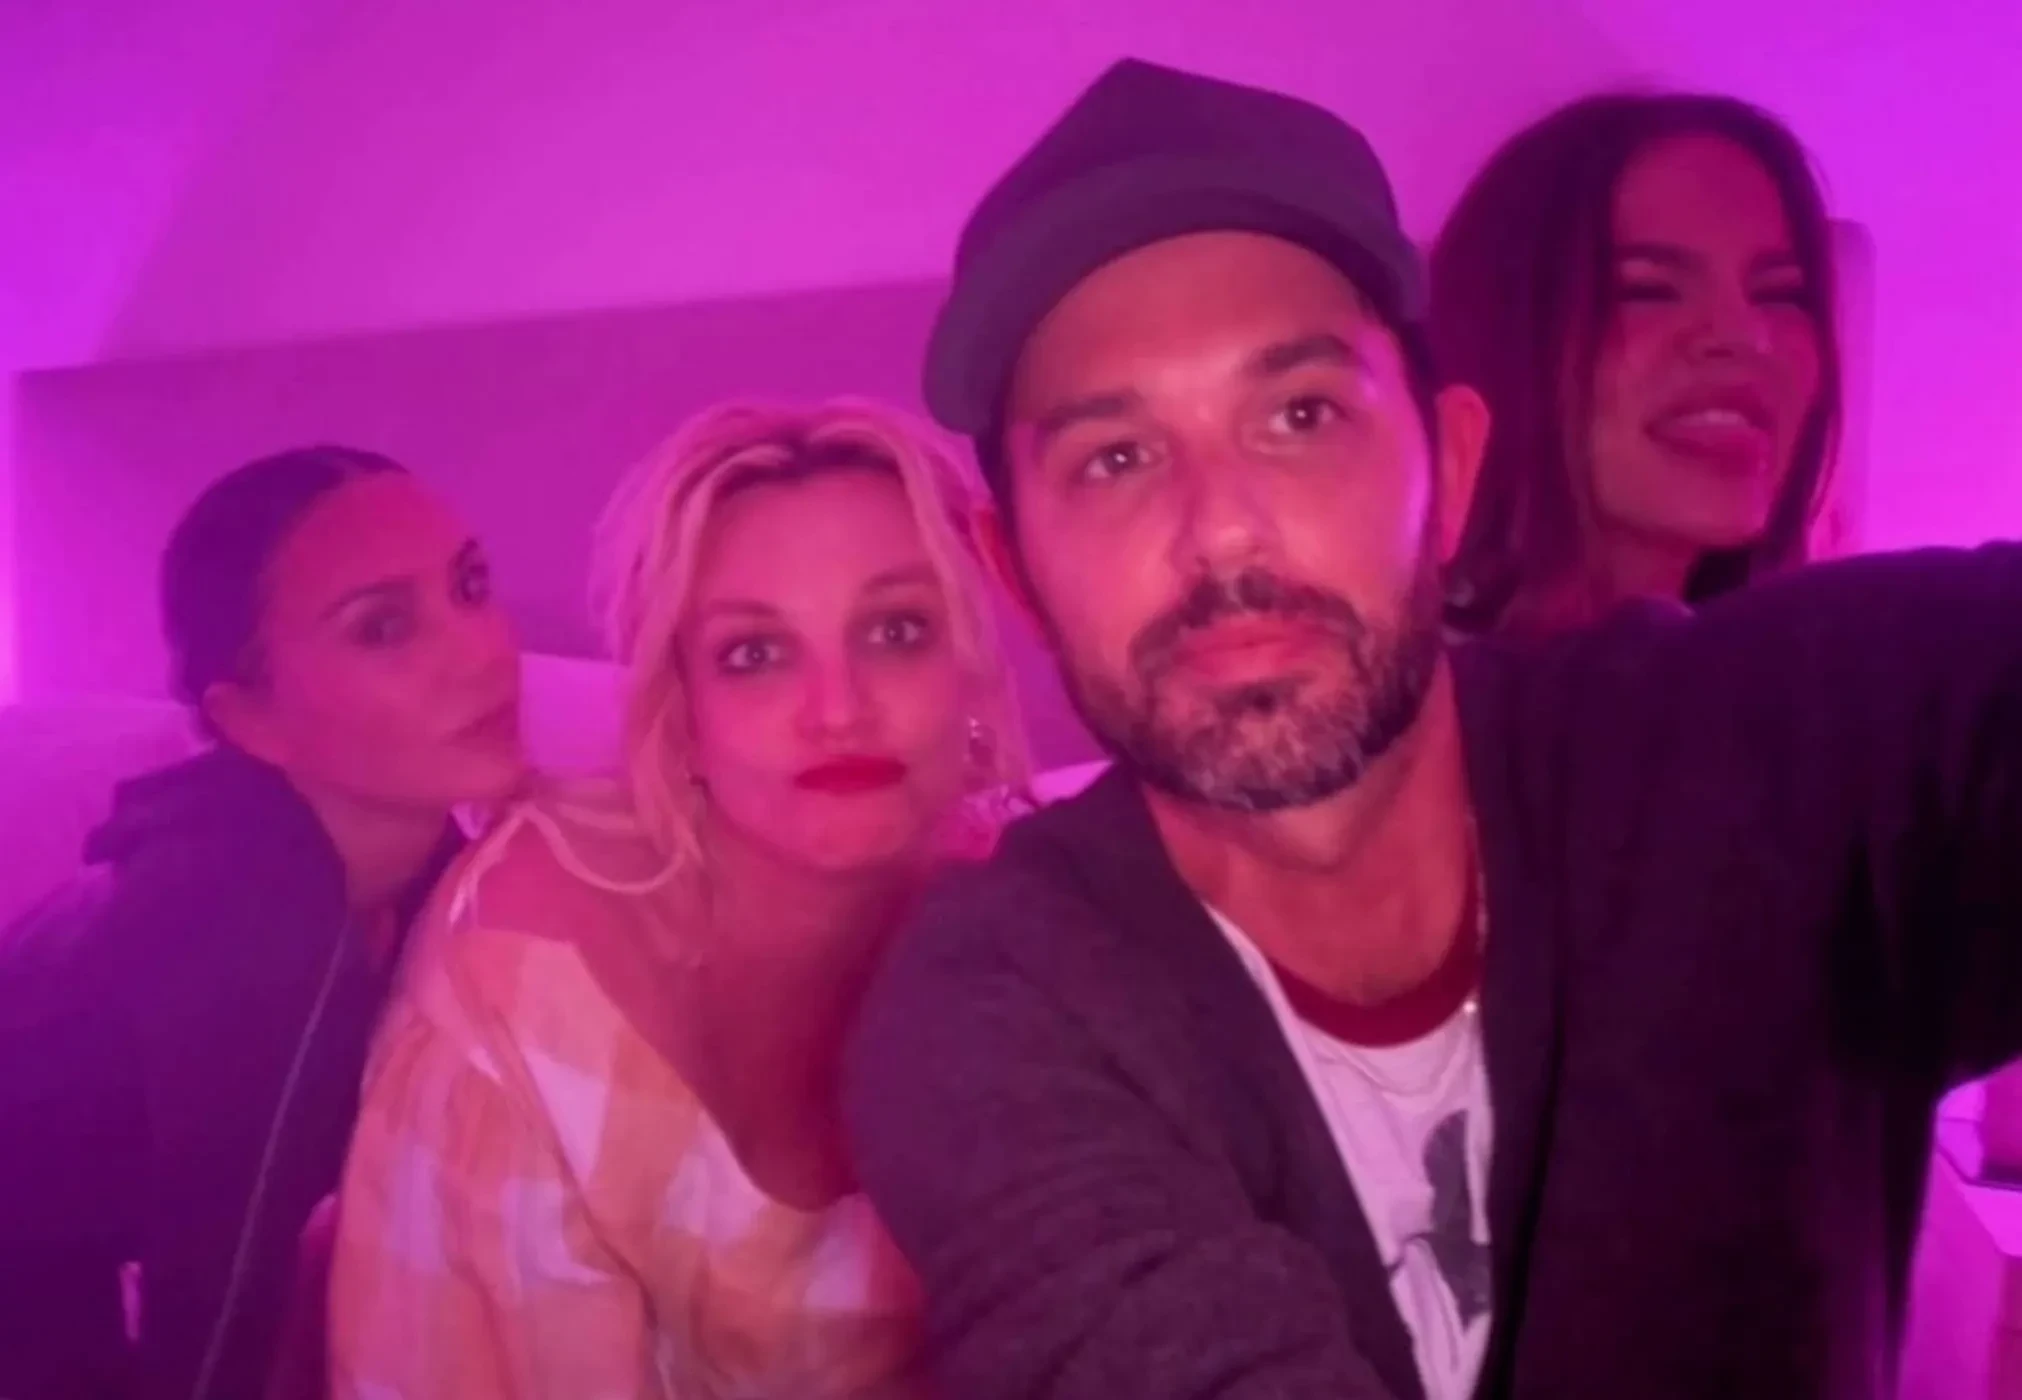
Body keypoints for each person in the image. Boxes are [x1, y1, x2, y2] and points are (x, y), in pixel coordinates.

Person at [842, 58, 2022, 1400]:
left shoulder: (1787, 750)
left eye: (1300, 415)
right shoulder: (995, 1000)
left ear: (1449, 471)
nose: (1220, 530)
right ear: (1016, 577)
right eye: (1115, 458)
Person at [328, 400, 1030, 1399]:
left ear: (969, 678)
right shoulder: (530, 979)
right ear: (684, 717)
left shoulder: (1051, 929)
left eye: (896, 630)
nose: (839, 709)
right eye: (755, 654)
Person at [0, 446, 527, 1400]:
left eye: (471, 586)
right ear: (248, 719)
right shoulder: (242, 910)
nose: (482, 650)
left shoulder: (434, 876)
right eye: (384, 627)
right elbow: (221, 1307)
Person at [1430, 92, 1843, 632]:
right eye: (1648, 291)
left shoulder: (1805, 666)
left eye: (1781, 295)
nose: (1747, 337)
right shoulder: (1392, 670)